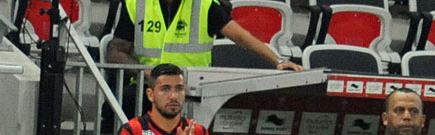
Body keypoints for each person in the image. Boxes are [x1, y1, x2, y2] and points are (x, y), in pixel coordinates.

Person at [107, 0, 302, 70]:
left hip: (191, 89)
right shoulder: (135, 3)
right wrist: (146, 74)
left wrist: (277, 61)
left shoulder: (205, 5)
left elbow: (242, 37)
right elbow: (115, 52)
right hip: (147, 88)